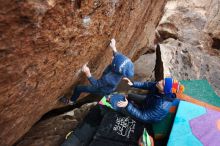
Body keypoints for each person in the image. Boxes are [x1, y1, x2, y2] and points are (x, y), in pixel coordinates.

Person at [60, 38, 134, 105]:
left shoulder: (108, 78)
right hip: (109, 87)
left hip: (101, 89)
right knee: (107, 88)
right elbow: (119, 59)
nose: (112, 57)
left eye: (113, 58)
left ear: (115, 67)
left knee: (79, 88)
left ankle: (72, 101)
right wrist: (114, 47)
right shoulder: (120, 70)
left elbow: (96, 84)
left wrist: (88, 73)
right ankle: (108, 94)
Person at [116, 77, 185, 123]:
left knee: (123, 110)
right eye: (163, 80)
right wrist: (133, 84)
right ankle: (128, 101)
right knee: (130, 96)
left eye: (163, 84)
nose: (160, 81)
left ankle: (126, 104)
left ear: (164, 91)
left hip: (149, 116)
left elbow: (143, 116)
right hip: (149, 101)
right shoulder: (157, 86)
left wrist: (128, 106)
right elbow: (146, 85)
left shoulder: (161, 106)